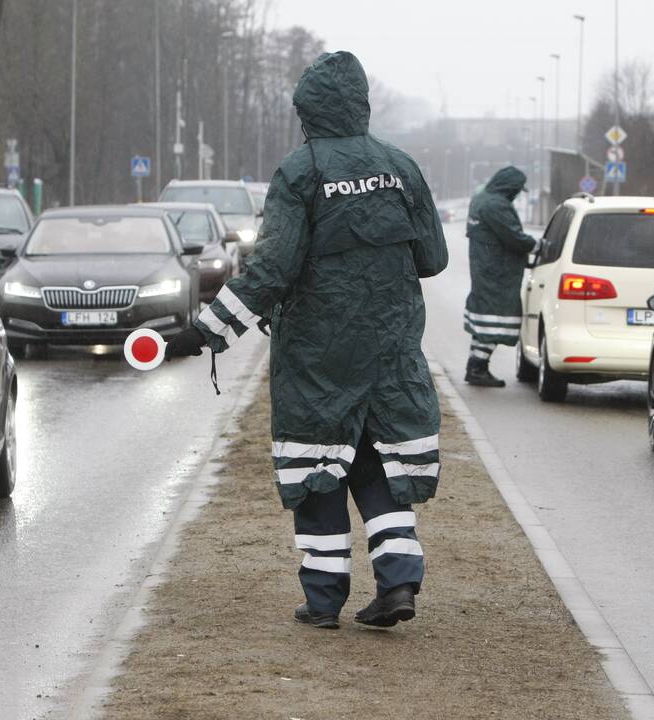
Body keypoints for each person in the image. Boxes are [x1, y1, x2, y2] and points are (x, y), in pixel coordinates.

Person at [165, 50, 448, 630]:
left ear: (308, 110)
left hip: (318, 358)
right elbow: (434, 258)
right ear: (361, 104)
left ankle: (323, 601)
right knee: (379, 466)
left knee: (318, 470)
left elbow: (272, 269)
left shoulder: (302, 170)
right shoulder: (402, 166)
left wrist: (207, 331)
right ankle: (397, 583)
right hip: (390, 352)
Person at [463, 166, 540, 387]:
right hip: (498, 271)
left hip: (485, 267)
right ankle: (477, 367)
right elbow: (513, 236)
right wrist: (536, 245)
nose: (516, 194)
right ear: (509, 187)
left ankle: (476, 365)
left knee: (485, 317)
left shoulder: (480, 199)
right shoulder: (496, 205)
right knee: (495, 318)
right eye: (516, 189)